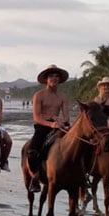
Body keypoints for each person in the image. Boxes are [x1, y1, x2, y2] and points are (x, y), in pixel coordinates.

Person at [27, 65, 70, 193]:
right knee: (32, 151)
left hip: (59, 125)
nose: (54, 79)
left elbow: (66, 116)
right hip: (43, 126)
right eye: (51, 76)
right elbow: (36, 117)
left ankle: (81, 177)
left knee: (78, 142)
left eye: (57, 76)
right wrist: (51, 124)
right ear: (46, 79)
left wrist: (61, 121)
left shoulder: (62, 96)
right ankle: (34, 177)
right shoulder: (38, 95)